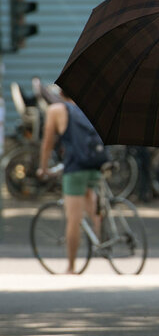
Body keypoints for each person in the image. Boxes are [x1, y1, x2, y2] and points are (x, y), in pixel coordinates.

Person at [37, 89, 103, 274]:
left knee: (74, 218)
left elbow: (48, 142)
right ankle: (104, 241)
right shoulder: (87, 108)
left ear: (60, 92)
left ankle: (71, 267)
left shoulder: (56, 109)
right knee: (92, 201)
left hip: (75, 168)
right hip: (94, 164)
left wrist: (43, 169)